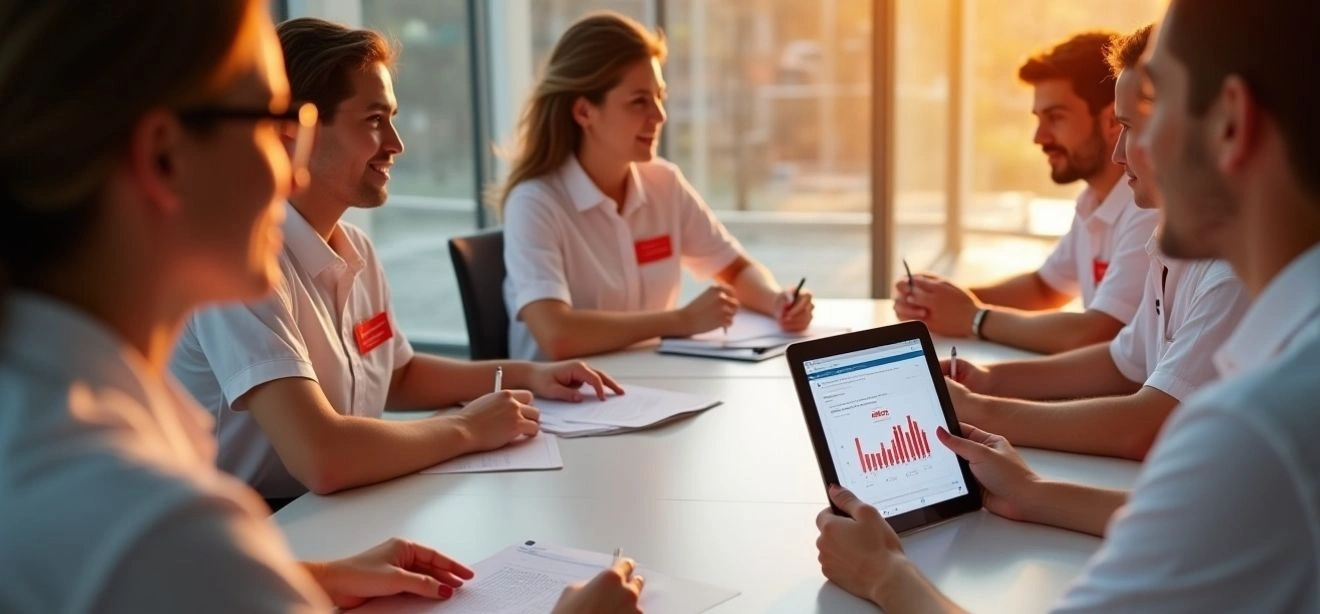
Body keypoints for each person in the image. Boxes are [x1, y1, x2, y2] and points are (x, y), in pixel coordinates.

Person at [0, 1, 641, 612]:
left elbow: (394, 371)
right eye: (272, 125)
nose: (291, 170)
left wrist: (319, 577)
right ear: (164, 156)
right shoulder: (159, 526)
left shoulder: (54, 435)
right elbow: (200, 546)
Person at [816, 2, 1320, 610]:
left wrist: (883, 575)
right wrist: (1033, 491)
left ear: (1231, 125)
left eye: (1145, 118)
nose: (1120, 153)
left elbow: (1195, 459)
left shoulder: (1258, 426)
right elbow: (1228, 513)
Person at [170, 18, 625, 507]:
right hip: (259, 525)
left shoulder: (356, 249)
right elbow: (321, 456)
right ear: (295, 132)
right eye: (372, 120)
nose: (396, 143)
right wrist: (466, 428)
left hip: (335, 509)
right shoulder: (243, 262)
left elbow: (397, 375)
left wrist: (530, 375)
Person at [938, 25, 1249, 460]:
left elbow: (1143, 426)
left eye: (1132, 127)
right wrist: (988, 381)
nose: (1118, 151)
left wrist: (983, 408)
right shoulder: (1174, 247)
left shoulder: (1232, 272)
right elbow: (1124, 359)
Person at [497, 12, 815, 361]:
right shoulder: (535, 202)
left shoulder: (663, 182)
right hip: (565, 406)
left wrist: (777, 302)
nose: (660, 115)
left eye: (659, 97)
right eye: (639, 101)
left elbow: (735, 269)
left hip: (652, 389)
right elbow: (557, 335)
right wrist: (681, 320)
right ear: (584, 112)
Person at [897, 32, 1159, 355]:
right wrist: (940, 301)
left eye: (1055, 117)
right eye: (1038, 119)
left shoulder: (1148, 208)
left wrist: (972, 318)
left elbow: (1095, 333)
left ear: (1111, 121)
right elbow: (1044, 289)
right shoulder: (1093, 201)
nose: (1039, 137)